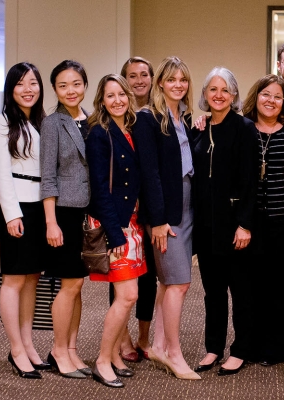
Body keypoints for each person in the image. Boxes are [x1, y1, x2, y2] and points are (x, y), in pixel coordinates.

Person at [134, 56, 200, 380]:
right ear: (160, 82)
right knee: (179, 282)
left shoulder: (183, 116)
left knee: (166, 282)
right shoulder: (148, 118)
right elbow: (149, 174)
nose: (178, 85)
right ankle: (174, 354)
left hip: (187, 204)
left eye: (183, 80)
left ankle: (159, 346)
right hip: (165, 210)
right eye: (171, 79)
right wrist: (157, 220)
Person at [190, 67, 258, 376]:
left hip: (234, 226)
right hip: (206, 225)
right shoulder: (199, 129)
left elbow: (250, 182)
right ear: (204, 94)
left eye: (225, 89)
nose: (218, 95)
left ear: (233, 95)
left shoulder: (245, 128)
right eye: (212, 89)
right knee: (212, 291)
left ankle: (241, 349)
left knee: (241, 290)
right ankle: (213, 347)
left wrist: (245, 224)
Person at [85, 74, 147, 388]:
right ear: (102, 100)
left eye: (121, 94)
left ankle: (115, 355)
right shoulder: (100, 132)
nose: (118, 100)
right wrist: (115, 233)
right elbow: (99, 188)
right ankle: (101, 358)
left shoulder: (131, 128)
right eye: (110, 96)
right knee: (128, 295)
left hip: (132, 222)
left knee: (125, 296)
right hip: (116, 225)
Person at [0, 62, 49, 379]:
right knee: (13, 279)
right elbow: (0, 170)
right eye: (21, 84)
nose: (28, 89)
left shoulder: (41, 121)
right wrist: (11, 214)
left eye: (34, 83)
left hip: (41, 207)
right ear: (11, 89)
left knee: (32, 278)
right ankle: (15, 349)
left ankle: (28, 344)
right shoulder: (1, 121)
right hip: (16, 208)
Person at [242, 74, 284, 366]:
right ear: (257, 96)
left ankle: (277, 347)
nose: (271, 101)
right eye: (266, 94)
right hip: (250, 221)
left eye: (278, 97)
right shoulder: (242, 128)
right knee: (252, 284)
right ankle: (250, 344)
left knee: (283, 285)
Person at [40, 60, 91, 379]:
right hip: (64, 214)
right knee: (69, 283)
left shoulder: (93, 119)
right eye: (62, 85)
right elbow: (47, 176)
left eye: (76, 83)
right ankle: (59, 350)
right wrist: (50, 222)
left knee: (78, 284)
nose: (70, 90)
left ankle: (71, 350)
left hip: (88, 213)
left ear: (85, 84)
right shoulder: (53, 123)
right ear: (55, 89)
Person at [114, 56, 156, 363]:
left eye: (144, 75)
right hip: (122, 211)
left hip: (149, 208)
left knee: (148, 275)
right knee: (119, 272)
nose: (139, 80)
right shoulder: (116, 118)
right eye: (132, 75)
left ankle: (143, 335)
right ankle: (123, 337)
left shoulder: (159, 115)